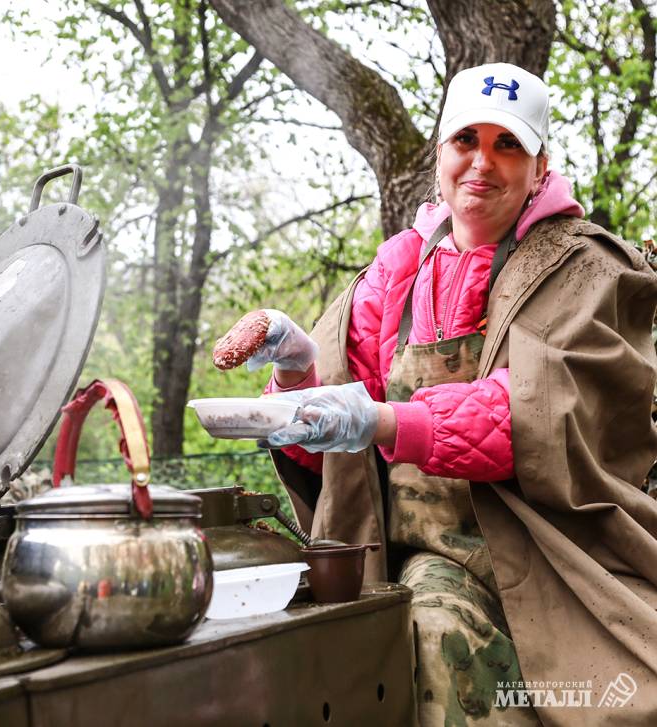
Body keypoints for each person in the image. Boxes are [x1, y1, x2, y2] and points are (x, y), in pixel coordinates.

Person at [215, 63, 657, 726]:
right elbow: (336, 458)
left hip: (554, 559)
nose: (482, 163)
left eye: (508, 145)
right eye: (465, 141)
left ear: (541, 167)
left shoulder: (586, 269)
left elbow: (534, 417)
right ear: (440, 155)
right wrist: (298, 380)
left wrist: (382, 418)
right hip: (406, 553)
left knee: (434, 625)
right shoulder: (393, 271)